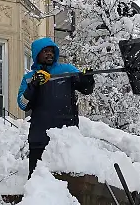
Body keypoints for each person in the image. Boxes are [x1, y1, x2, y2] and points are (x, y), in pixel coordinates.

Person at [18, 37, 95, 178]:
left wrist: (88, 78)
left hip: (65, 139)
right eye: (45, 51)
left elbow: (86, 89)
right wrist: (33, 85)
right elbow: (23, 104)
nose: (50, 54)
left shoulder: (67, 70)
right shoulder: (29, 78)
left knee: (66, 182)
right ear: (37, 55)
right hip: (39, 139)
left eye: (52, 51)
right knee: (36, 181)